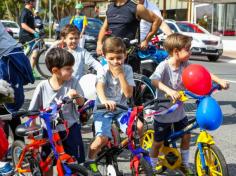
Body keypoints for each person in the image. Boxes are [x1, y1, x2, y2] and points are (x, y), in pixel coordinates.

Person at [149, 33, 229, 175]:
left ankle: (185, 164)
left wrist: (219, 81)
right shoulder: (164, 66)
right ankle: (152, 165)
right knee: (157, 142)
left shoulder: (185, 65)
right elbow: (154, 80)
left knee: (186, 136)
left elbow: (204, 73)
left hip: (179, 112)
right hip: (164, 113)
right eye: (188, 49)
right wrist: (169, 90)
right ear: (176, 52)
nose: (190, 52)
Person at [28, 48, 85, 175]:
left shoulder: (73, 82)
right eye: (68, 68)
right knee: (47, 163)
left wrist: (76, 95)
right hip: (49, 132)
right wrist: (32, 133)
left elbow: (82, 103)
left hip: (70, 128)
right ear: (55, 70)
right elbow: (33, 111)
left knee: (72, 161)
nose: (72, 71)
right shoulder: (43, 86)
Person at [85, 37, 135, 175]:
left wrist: (121, 75)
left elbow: (128, 94)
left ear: (125, 55)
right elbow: (99, 87)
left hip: (121, 109)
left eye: (119, 58)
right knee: (102, 138)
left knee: (139, 128)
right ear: (105, 56)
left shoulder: (127, 69)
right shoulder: (103, 69)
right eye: (111, 58)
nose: (115, 62)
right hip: (103, 109)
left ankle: (130, 153)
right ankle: (89, 160)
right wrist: (105, 100)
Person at [96, 0, 162, 73]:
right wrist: (99, 43)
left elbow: (157, 20)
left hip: (129, 53)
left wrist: (147, 40)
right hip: (112, 52)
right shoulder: (110, 7)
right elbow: (104, 27)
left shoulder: (136, 7)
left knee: (129, 81)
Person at [0, 21, 34, 142]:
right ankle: (15, 147)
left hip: (8, 61)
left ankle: (16, 147)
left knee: (7, 109)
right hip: (8, 59)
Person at [19, 0, 40, 79]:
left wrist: (39, 27)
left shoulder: (30, 12)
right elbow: (23, 25)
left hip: (30, 35)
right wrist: (34, 32)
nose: (35, 3)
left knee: (34, 51)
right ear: (30, 2)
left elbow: (32, 24)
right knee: (34, 51)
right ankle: (28, 71)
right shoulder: (24, 11)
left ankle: (30, 71)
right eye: (34, 2)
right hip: (25, 36)